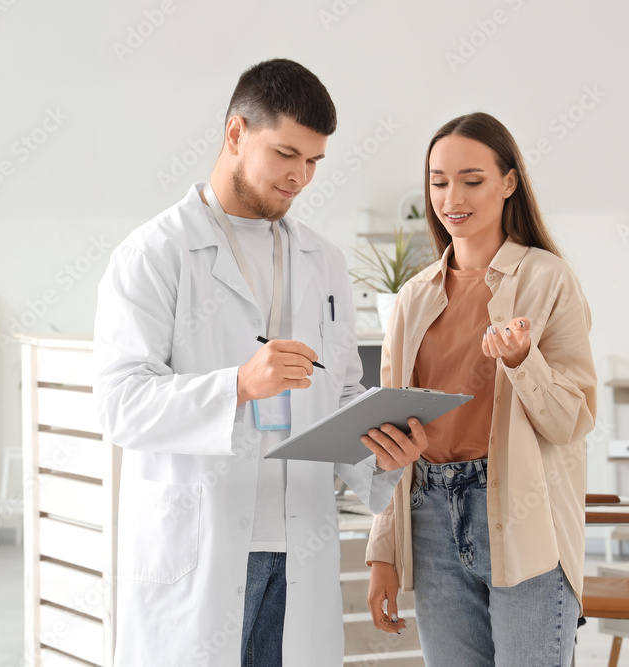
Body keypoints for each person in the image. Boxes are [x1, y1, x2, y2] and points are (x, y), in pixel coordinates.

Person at [94, 58, 427, 667]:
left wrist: (382, 445)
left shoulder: (321, 261)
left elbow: (341, 390)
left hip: (298, 542)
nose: (301, 176)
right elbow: (120, 404)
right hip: (202, 543)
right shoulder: (155, 254)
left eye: (314, 162)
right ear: (235, 133)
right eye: (285, 154)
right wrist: (238, 386)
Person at [364, 112, 597, 666]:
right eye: (438, 181)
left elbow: (572, 420)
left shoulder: (547, 279)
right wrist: (383, 554)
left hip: (523, 516)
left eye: (472, 180)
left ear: (508, 183)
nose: (452, 197)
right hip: (429, 515)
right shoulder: (412, 299)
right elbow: (390, 436)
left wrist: (522, 361)